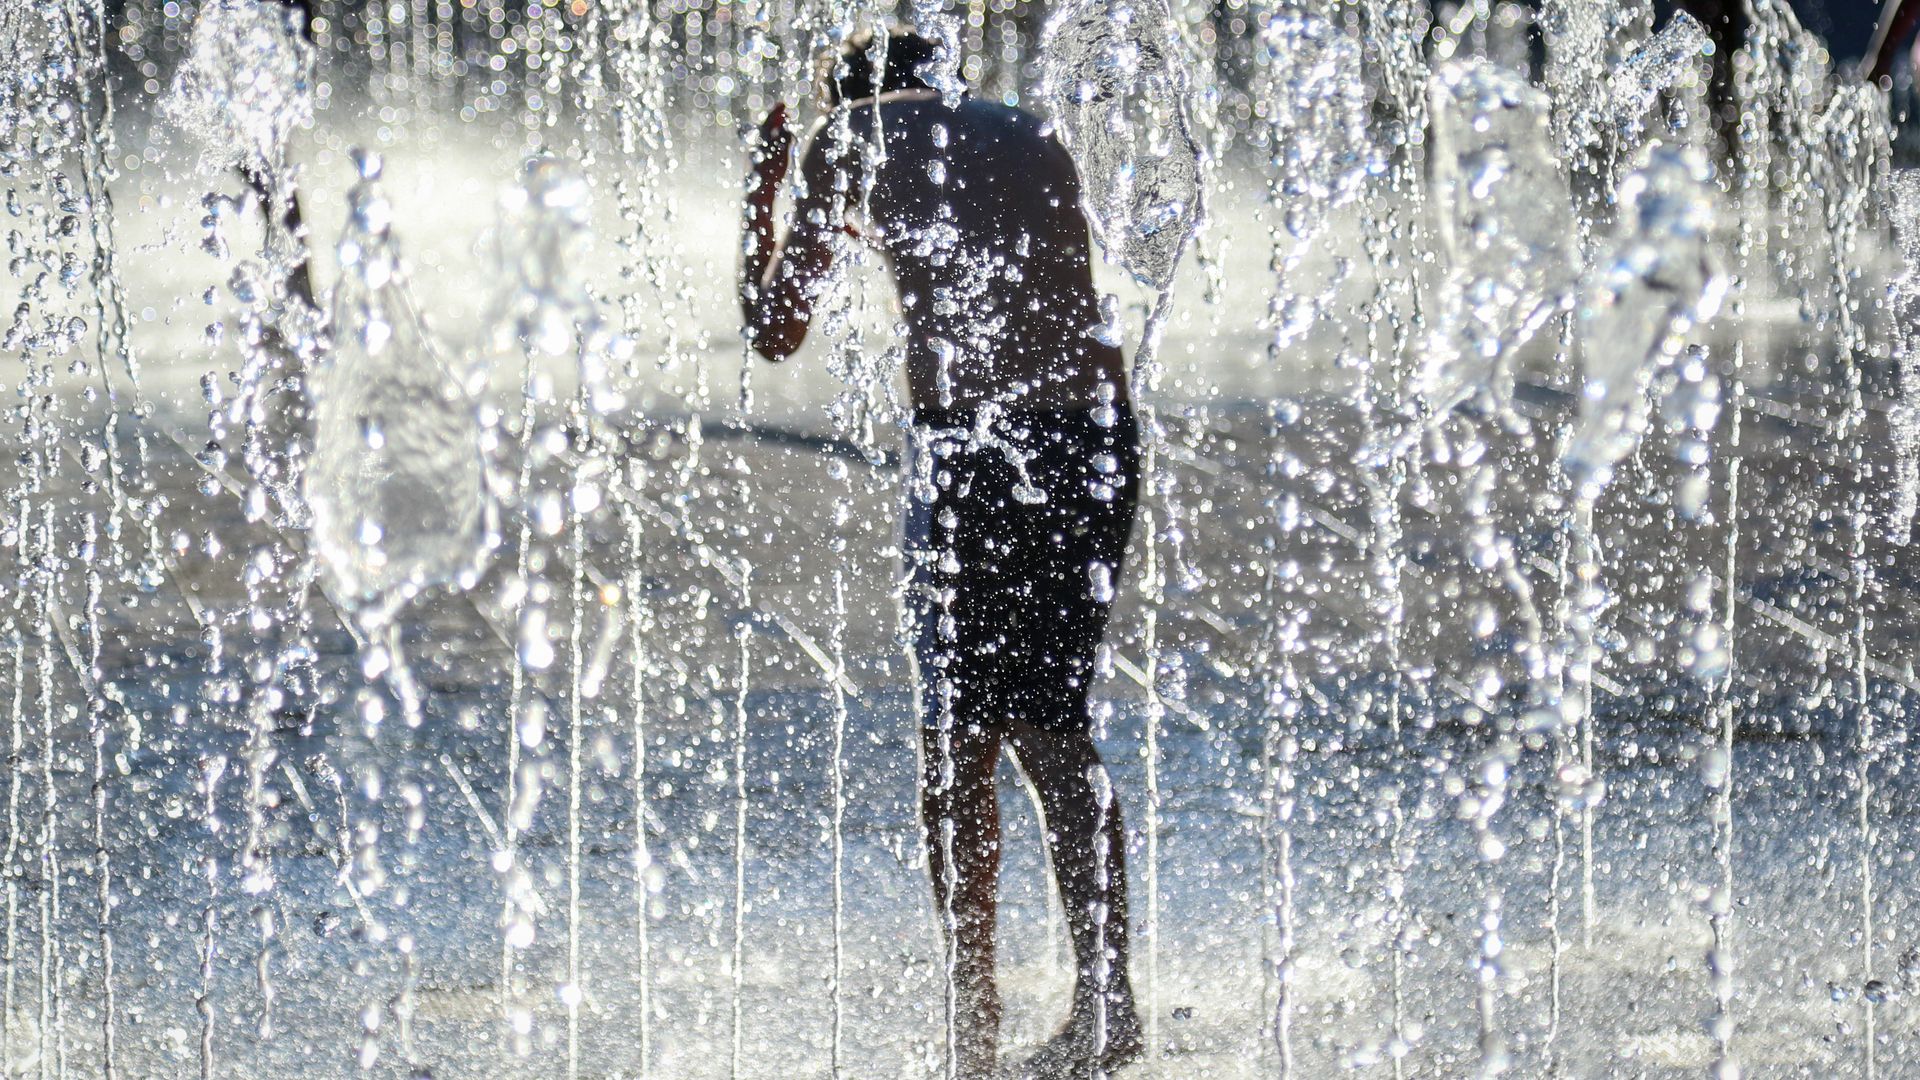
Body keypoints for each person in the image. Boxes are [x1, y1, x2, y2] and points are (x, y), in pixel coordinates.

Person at [739, 29, 1145, 1080]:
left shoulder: (848, 137)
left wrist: (763, 196)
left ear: (849, 95)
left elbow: (776, 328)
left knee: (958, 743)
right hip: (1092, 436)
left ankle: (972, 1030)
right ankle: (1109, 1007)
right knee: (1055, 730)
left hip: (975, 451)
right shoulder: (1026, 130)